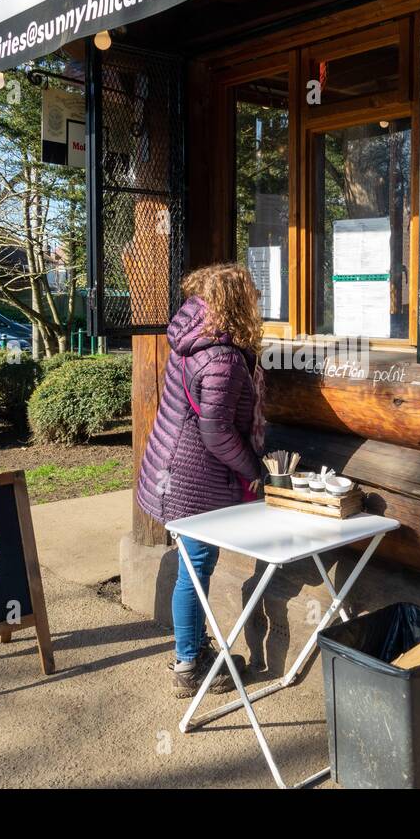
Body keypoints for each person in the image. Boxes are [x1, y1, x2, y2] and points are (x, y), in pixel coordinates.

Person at [135, 263, 267, 697]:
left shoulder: (193, 337)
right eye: (251, 294)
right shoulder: (222, 358)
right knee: (194, 570)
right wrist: (254, 471)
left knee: (191, 568)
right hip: (192, 479)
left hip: (172, 470)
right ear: (237, 302)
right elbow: (216, 431)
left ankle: (191, 651)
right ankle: (189, 664)